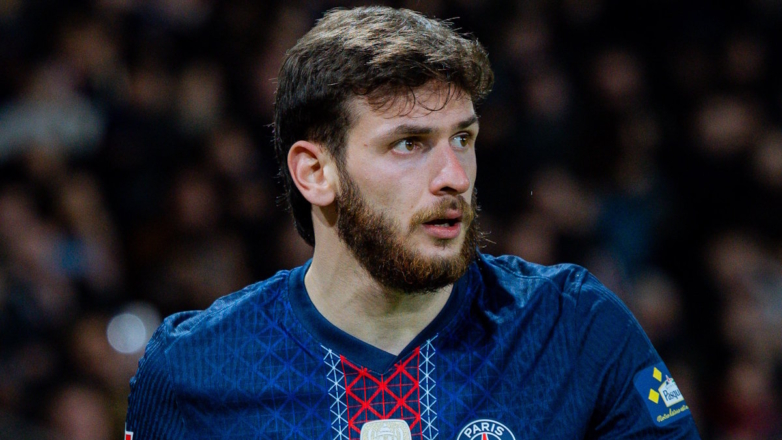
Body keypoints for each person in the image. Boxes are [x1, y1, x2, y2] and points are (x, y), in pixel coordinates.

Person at [125, 6, 700, 439]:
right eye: (409, 144)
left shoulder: (572, 327)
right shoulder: (193, 370)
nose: (454, 176)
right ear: (316, 172)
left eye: (463, 139)